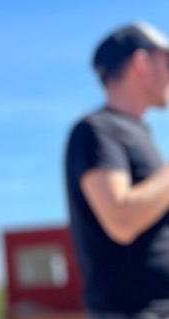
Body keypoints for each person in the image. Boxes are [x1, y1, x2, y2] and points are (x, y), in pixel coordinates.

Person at [65, 22, 169, 318]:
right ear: (142, 63)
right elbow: (121, 220)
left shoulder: (138, 134)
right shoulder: (97, 130)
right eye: (167, 62)